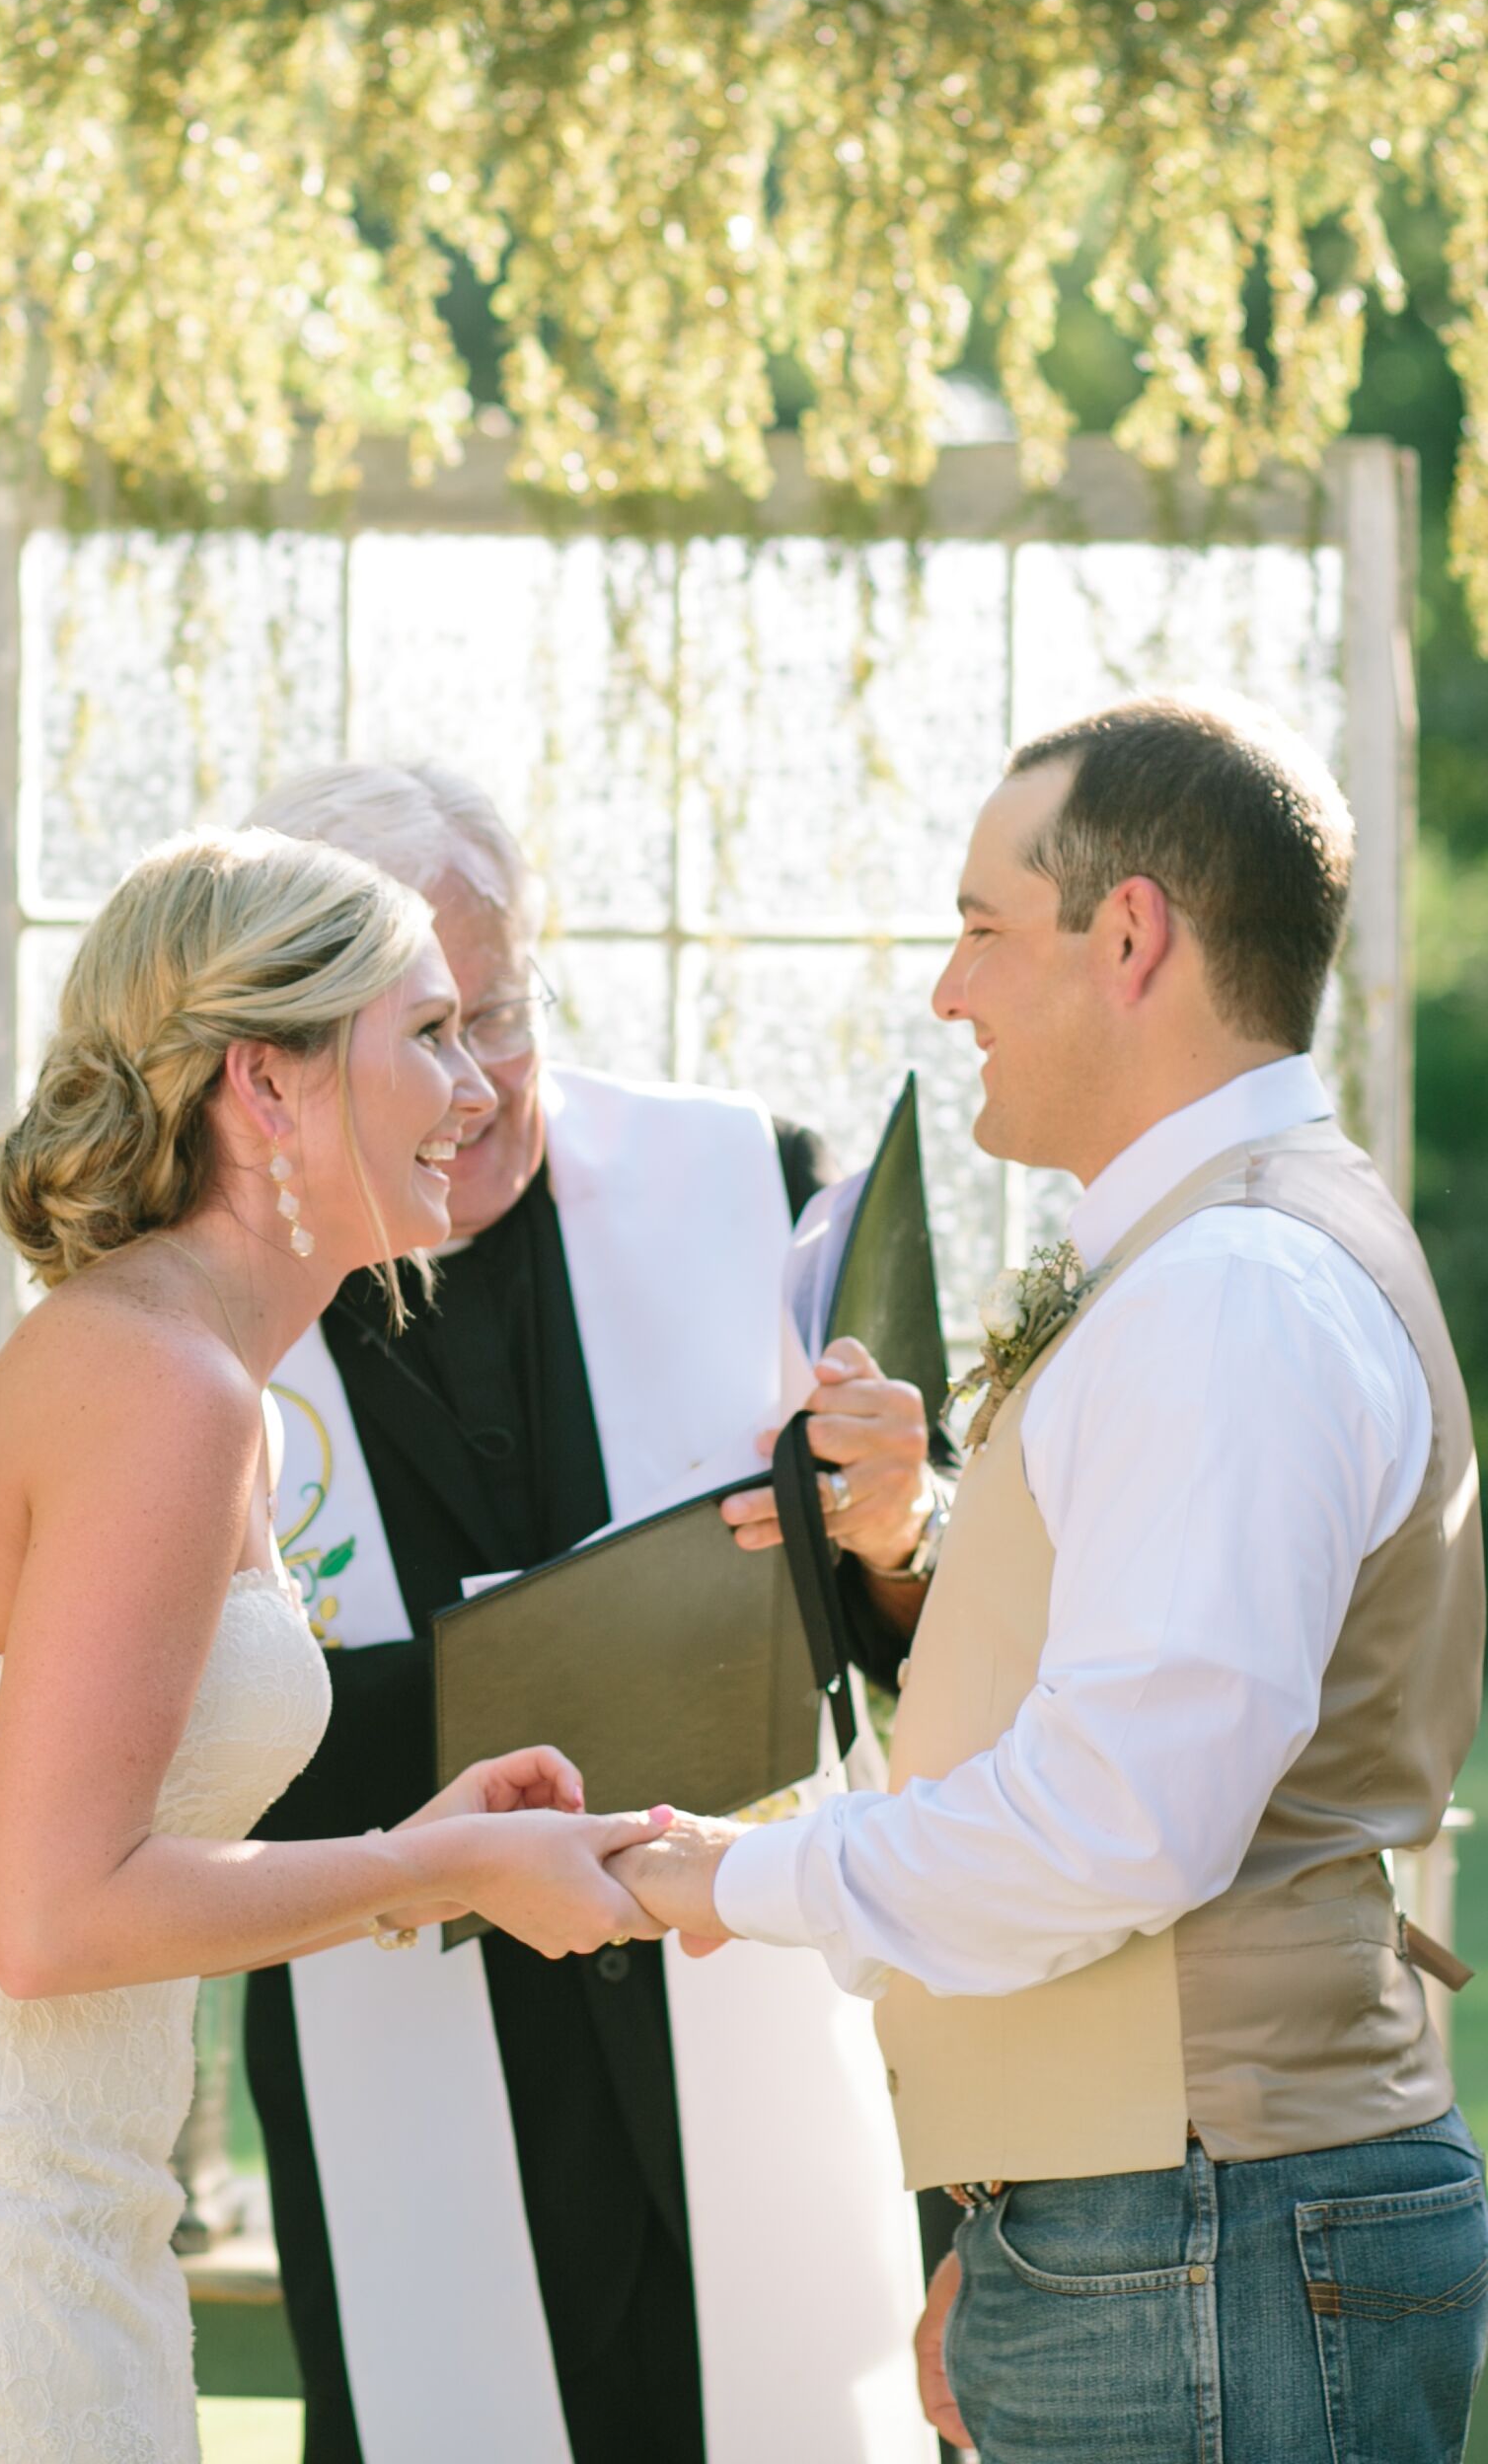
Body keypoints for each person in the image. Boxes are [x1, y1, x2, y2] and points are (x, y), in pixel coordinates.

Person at [616, 698, 1488, 2464]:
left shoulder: (1233, 1289)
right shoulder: (1208, 1259)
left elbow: (1120, 1824)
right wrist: (1021, 2204)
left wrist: (733, 1879)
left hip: (1208, 2229)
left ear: (1133, 934)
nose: (951, 993)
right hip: (1153, 2226)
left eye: (982, 930)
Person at [0, 825, 669, 2463]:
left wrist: (436, 1841)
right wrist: (434, 1873)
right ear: (268, 1087)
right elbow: (51, 1916)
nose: (482, 1086)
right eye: (433, 1034)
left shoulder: (197, 1386)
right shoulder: (161, 1388)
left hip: (49, 2187)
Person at [243, 761, 942, 2464]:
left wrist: (901, 1528)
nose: (476, 1085)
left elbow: (911, 1629)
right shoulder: (214, 1301)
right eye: (423, 1036)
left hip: (739, 1979)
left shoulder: (749, 1180)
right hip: (397, 2009)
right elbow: (183, 1746)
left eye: (507, 1016)